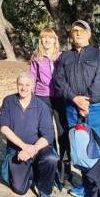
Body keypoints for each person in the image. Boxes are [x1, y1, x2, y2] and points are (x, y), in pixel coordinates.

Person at [54, 20, 100, 197]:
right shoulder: (65, 57)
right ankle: (86, 184)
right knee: (79, 147)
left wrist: (86, 101)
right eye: (74, 31)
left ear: (89, 34)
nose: (77, 34)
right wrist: (75, 99)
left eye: (81, 31)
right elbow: (59, 81)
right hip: (72, 108)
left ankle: (99, 185)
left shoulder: (98, 56)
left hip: (94, 109)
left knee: (95, 147)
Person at [0, 72, 59, 197]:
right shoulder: (9, 101)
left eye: (27, 85)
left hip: (38, 148)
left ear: (33, 86)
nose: (24, 88)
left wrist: (32, 149)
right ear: (16, 85)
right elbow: (4, 127)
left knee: (51, 158)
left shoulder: (41, 107)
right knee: (19, 189)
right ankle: (32, 171)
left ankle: (45, 189)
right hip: (17, 149)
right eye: (20, 84)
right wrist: (24, 147)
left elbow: (48, 135)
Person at [30, 28, 71, 180]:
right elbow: (32, 78)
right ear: (40, 41)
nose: (46, 40)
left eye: (50, 38)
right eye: (43, 38)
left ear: (55, 40)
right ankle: (51, 166)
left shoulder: (62, 56)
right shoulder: (36, 57)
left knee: (63, 133)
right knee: (48, 133)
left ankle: (65, 168)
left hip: (60, 97)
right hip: (42, 97)